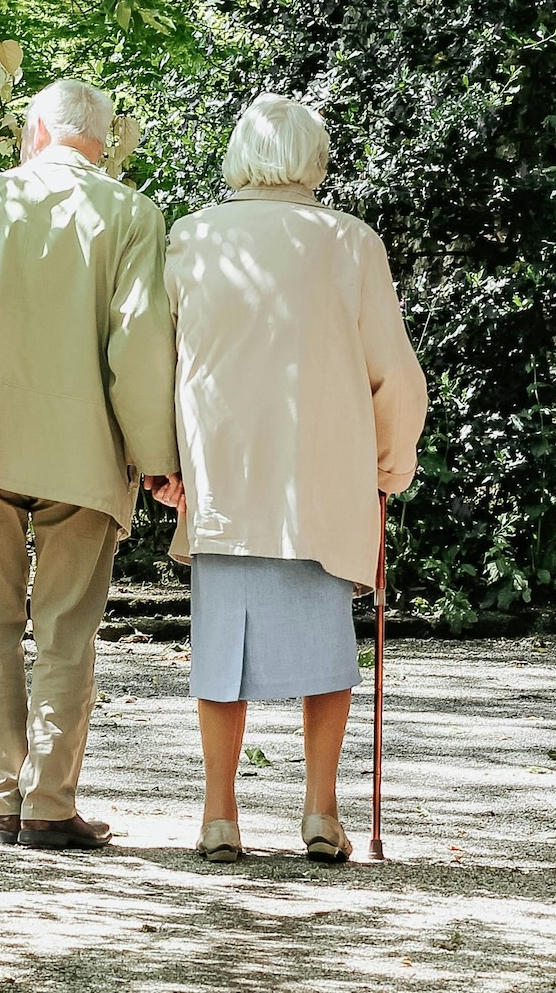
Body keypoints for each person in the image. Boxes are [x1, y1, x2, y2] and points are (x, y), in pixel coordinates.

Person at [0, 79, 181, 851]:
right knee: (66, 632)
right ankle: (49, 806)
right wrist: (156, 458)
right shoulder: (133, 214)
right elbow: (140, 343)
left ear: (36, 131)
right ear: (104, 141)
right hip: (85, 452)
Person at [155, 93, 428, 864]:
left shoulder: (192, 237)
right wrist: (390, 458)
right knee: (326, 650)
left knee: (219, 650)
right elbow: (395, 375)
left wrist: (162, 462)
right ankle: (319, 811)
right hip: (322, 475)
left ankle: (218, 815)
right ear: (315, 159)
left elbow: (158, 363)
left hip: (225, 474)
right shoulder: (349, 243)